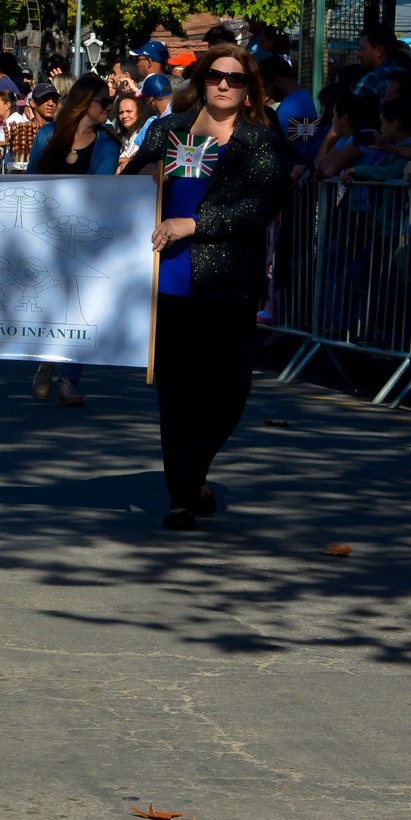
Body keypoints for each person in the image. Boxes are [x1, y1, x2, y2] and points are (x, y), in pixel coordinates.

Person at [121, 43, 288, 530]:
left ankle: (195, 471)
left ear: (248, 89)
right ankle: (182, 494)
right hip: (170, 278)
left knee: (232, 389)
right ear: (201, 79)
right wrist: (142, 177)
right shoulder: (171, 130)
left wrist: (193, 224)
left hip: (229, 279)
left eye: (235, 79)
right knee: (178, 394)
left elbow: (262, 206)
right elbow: (129, 184)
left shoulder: (261, 139)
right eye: (216, 75)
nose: (223, 84)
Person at [26, 78, 119, 407]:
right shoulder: (47, 135)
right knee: (48, 303)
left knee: (80, 308)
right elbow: (31, 182)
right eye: (103, 102)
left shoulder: (108, 143)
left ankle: (70, 379)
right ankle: (45, 363)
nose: (110, 107)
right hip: (46, 235)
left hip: (84, 237)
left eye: (111, 102)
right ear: (83, 102)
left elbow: (100, 191)